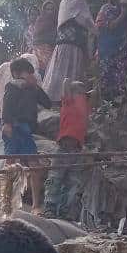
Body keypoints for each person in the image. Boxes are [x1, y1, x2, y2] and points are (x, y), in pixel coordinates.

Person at [0, 54, 40, 206]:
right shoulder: (18, 79)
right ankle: (1, 201)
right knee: (7, 162)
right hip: (8, 123)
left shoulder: (3, 68)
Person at [2, 57, 52, 213]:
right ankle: (6, 201)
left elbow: (47, 103)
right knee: (10, 165)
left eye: (32, 73)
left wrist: (37, 87)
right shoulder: (12, 87)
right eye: (27, 73)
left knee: (33, 165)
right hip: (14, 126)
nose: (31, 75)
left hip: (26, 129)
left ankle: (36, 205)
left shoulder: (32, 89)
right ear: (17, 74)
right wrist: (7, 123)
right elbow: (7, 105)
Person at [42, 80, 90, 221]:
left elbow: (94, 96)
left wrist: (86, 92)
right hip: (63, 147)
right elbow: (65, 84)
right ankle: (50, 208)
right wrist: (70, 83)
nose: (82, 94)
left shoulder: (85, 107)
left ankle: (66, 212)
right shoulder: (68, 102)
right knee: (55, 179)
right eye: (79, 92)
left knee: (73, 182)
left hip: (77, 150)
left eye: (83, 92)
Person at [44, 0, 97, 105]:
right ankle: (67, 97)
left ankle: (57, 98)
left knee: (60, 70)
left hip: (63, 42)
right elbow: (87, 21)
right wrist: (96, 31)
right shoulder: (80, 3)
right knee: (71, 70)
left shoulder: (64, 2)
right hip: (73, 42)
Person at [96, 0, 127, 102]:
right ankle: (104, 103)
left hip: (121, 50)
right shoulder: (106, 9)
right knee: (106, 76)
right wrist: (123, 14)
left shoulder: (124, 10)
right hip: (107, 48)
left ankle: (117, 101)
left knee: (119, 77)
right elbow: (111, 26)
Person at [28, 0, 59, 74]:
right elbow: (35, 38)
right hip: (38, 51)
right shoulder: (39, 21)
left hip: (52, 51)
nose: (50, 11)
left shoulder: (57, 23)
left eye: (52, 9)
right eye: (47, 9)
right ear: (44, 10)